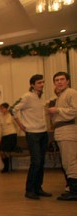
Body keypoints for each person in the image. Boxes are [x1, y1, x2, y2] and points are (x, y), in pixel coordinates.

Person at [11, 74, 51, 200]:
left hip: (43, 133)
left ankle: (38, 188)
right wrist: (21, 125)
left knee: (41, 162)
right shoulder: (27, 96)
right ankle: (29, 190)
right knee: (36, 161)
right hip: (32, 134)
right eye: (39, 82)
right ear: (32, 85)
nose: (42, 84)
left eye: (43, 82)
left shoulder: (40, 98)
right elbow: (12, 109)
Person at [46, 71, 77, 201]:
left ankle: (75, 191)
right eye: (56, 80)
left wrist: (57, 110)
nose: (59, 82)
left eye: (62, 79)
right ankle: (70, 188)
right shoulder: (60, 96)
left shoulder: (72, 92)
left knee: (70, 161)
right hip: (61, 130)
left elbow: (75, 110)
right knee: (65, 162)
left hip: (68, 129)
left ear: (68, 81)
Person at [0, 102, 18, 173]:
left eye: (2, 108)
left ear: (6, 108)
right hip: (4, 136)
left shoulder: (11, 115)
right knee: (1, 152)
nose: (1, 110)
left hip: (11, 135)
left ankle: (7, 167)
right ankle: (6, 166)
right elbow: (0, 128)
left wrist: (16, 133)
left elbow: (17, 125)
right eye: (0, 108)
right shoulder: (0, 117)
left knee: (6, 151)